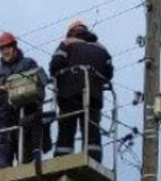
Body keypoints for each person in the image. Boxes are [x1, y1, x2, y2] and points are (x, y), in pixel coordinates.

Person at [0, 32, 49, 169]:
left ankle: (27, 169)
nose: (5, 51)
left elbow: (38, 82)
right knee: (3, 147)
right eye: (2, 48)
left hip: (25, 113)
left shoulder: (28, 63)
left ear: (14, 47)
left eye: (8, 47)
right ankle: (3, 170)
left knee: (26, 150)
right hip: (5, 117)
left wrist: (11, 86)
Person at [49, 20, 114, 162]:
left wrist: (62, 75)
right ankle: (94, 159)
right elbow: (108, 73)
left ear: (71, 32)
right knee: (92, 129)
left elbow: (54, 66)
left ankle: (62, 160)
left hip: (69, 94)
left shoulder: (66, 44)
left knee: (67, 129)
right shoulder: (102, 49)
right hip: (94, 96)